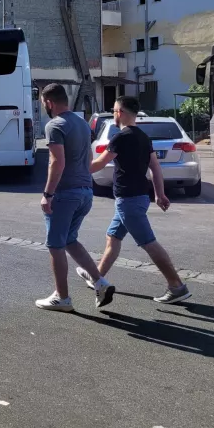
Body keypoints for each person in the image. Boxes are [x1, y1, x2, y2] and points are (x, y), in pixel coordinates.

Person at [82, 96, 191, 304]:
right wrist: (159, 194)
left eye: (114, 111)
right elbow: (155, 168)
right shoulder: (143, 137)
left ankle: (176, 286)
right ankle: (97, 277)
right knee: (113, 238)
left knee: (149, 243)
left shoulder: (120, 138)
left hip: (128, 200)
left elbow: (96, 166)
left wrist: (76, 164)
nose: (113, 114)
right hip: (139, 197)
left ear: (120, 113)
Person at [36, 83, 113, 312]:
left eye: (43, 104)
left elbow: (56, 162)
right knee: (69, 239)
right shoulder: (82, 124)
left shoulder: (54, 125)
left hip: (65, 193)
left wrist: (47, 194)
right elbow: (88, 160)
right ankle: (100, 282)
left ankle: (62, 297)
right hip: (85, 192)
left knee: (56, 245)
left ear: (49, 102)